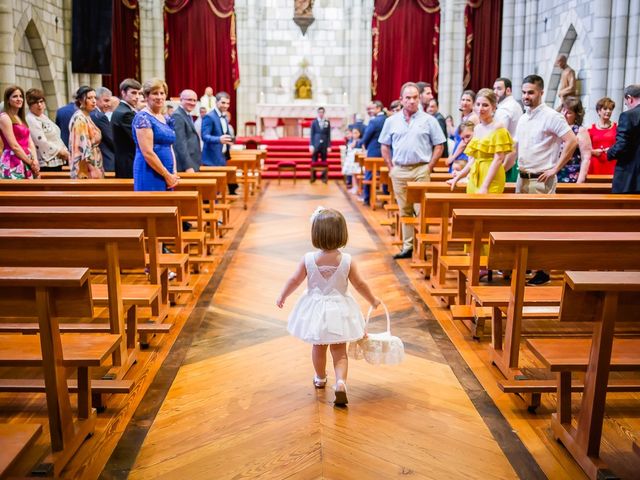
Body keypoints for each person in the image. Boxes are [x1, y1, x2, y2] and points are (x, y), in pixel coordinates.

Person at [276, 207, 380, 406]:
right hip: (340, 309)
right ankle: (341, 382)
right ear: (342, 233)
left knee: (318, 346)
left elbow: (294, 280)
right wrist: (373, 299)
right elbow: (360, 284)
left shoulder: (308, 259)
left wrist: (283, 295)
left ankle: (320, 377)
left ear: (315, 234)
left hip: (315, 310)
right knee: (340, 350)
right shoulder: (347, 261)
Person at [511, 74, 578, 285]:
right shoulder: (523, 117)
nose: (526, 96)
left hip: (541, 179)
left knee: (540, 226)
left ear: (541, 92)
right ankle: (527, 265)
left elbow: (572, 141)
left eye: (530, 92)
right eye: (523, 92)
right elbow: (517, 148)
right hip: (522, 178)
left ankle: (544, 271)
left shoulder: (551, 116)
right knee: (522, 226)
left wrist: (555, 168)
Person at [379, 82, 446, 259]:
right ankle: (408, 246)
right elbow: (384, 146)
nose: (412, 101)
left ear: (419, 98)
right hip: (399, 170)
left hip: (420, 170)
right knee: (405, 210)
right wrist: (390, 168)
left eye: (415, 97)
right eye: (408, 98)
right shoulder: (391, 121)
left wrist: (429, 167)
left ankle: (422, 247)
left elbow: (439, 145)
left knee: (422, 210)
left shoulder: (429, 120)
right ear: (401, 100)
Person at [449, 89, 513, 193]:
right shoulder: (477, 128)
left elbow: (498, 159)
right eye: (478, 104)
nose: (480, 108)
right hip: (475, 176)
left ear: (493, 107)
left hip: (491, 178)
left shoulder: (498, 127)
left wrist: (485, 186)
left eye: (485, 105)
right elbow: (473, 160)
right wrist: (458, 177)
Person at [132, 78, 178, 191]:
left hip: (167, 170)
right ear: (146, 96)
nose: (159, 97)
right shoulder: (143, 118)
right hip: (149, 170)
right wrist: (166, 175)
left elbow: (170, 145)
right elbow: (147, 152)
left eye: (162, 93)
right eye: (155, 93)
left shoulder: (165, 118)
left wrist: (174, 171)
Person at [201, 91, 238, 194]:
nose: (226, 105)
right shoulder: (210, 116)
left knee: (219, 187)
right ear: (216, 102)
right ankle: (210, 209)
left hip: (222, 156)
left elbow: (223, 133)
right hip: (211, 158)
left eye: (227, 103)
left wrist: (229, 140)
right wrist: (219, 139)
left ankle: (216, 207)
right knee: (212, 189)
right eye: (223, 103)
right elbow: (204, 136)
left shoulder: (224, 116)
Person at [25, 88, 69, 172]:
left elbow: (56, 137)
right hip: (45, 164)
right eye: (35, 102)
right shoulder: (31, 119)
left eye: (41, 101)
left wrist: (65, 150)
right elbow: (41, 141)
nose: (39, 105)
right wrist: (60, 151)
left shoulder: (43, 117)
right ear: (29, 105)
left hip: (56, 160)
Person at [0, 85, 39, 179]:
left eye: (21, 96)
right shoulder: (4, 117)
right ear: (8, 100)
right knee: (16, 191)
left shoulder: (21, 118)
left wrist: (35, 160)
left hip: (27, 158)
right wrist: (30, 162)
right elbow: (14, 146)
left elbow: (30, 142)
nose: (19, 99)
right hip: (12, 160)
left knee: (30, 192)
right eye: (15, 96)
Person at [607, 84, 640, 193]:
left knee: (623, 208)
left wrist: (610, 152)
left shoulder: (628, 116)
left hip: (630, 176)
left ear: (629, 98)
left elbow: (622, 145)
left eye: (626, 103)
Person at [68, 86, 104, 179]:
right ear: (80, 100)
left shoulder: (86, 116)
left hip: (94, 161)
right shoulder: (79, 118)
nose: (94, 101)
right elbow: (82, 147)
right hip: (86, 169)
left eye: (95, 98)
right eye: (89, 98)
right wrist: (93, 169)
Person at [493, 77, 523, 182]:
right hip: (515, 157)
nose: (495, 92)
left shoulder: (504, 109)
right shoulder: (516, 105)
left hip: (505, 160)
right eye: (494, 89)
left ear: (508, 90)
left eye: (499, 89)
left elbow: (499, 136)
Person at [112, 78, 142, 178]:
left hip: (125, 161)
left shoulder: (123, 110)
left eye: (138, 93)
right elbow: (139, 138)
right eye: (133, 93)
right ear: (123, 93)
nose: (137, 97)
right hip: (129, 163)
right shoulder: (126, 113)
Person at [557, 96, 591, 183]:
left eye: (569, 113)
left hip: (570, 175)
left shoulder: (580, 130)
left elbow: (586, 158)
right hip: (552, 174)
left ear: (576, 115)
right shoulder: (556, 128)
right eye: (563, 110)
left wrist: (580, 181)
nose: (564, 114)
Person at [360, 100, 387, 204]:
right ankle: (386, 198)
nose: (371, 110)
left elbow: (367, 136)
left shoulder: (374, 121)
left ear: (379, 108)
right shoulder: (388, 119)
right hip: (386, 152)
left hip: (374, 151)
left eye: (373, 108)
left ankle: (367, 199)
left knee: (369, 174)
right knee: (385, 175)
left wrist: (365, 146)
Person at [448, 90, 479, 173]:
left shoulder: (473, 118)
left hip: (464, 155)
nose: (465, 102)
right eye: (463, 99)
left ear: (473, 103)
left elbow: (464, 142)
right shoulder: (465, 117)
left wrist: (453, 157)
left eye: (468, 100)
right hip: (459, 153)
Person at [173, 89, 201, 173]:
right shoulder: (178, 115)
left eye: (194, 100)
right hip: (185, 165)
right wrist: (188, 166)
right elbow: (180, 143)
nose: (192, 103)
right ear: (181, 100)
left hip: (192, 161)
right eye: (189, 100)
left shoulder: (186, 114)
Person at [588, 97, 617, 175]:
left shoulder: (617, 128)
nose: (608, 111)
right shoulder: (590, 129)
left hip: (612, 164)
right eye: (605, 109)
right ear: (598, 111)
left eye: (610, 109)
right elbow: (584, 149)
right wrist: (593, 152)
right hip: (595, 164)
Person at [90, 86, 116, 172]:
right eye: (106, 100)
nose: (109, 104)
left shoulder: (90, 114)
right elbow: (111, 140)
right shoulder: (100, 117)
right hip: (106, 161)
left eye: (109, 101)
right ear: (96, 100)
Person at [310, 106, 331, 183]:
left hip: (324, 144)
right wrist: (311, 145)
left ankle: (324, 177)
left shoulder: (327, 122)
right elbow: (312, 134)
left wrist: (329, 146)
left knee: (324, 160)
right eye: (319, 112)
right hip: (316, 144)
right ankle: (313, 176)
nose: (321, 114)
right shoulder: (314, 122)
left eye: (322, 112)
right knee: (314, 160)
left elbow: (329, 134)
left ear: (324, 113)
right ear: (318, 113)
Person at [342, 128, 362, 194]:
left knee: (358, 173)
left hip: (358, 159)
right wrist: (354, 141)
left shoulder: (361, 141)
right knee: (353, 173)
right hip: (352, 159)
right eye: (353, 133)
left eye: (356, 133)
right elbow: (350, 147)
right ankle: (354, 187)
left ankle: (358, 187)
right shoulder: (351, 141)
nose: (354, 135)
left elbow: (364, 149)